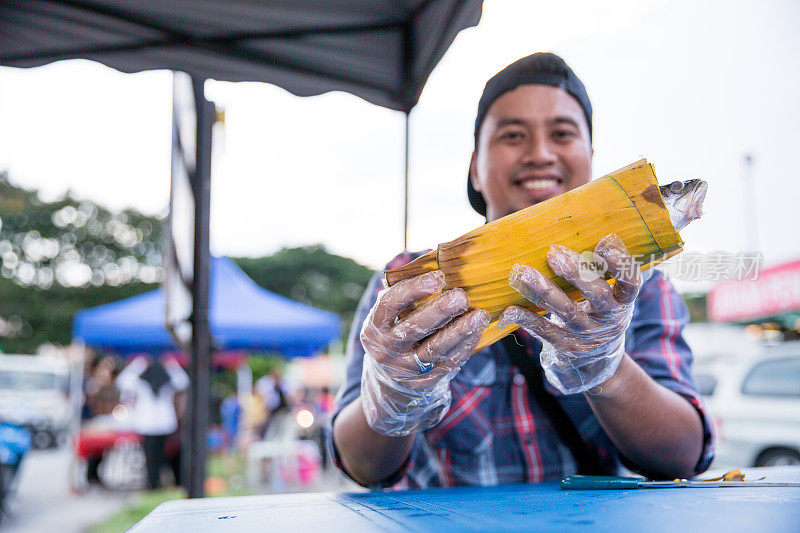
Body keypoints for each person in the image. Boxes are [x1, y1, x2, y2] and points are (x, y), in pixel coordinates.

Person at [330, 52, 715, 489]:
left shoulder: (639, 280)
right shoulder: (410, 284)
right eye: (513, 135)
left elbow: (682, 457)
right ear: (475, 168)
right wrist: (393, 392)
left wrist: (603, 363)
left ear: (590, 158)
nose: (540, 153)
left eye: (562, 133)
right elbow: (363, 467)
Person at [116, 355, 189, 489]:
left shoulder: (166, 383)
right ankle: (153, 483)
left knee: (163, 456)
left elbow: (183, 382)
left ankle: (161, 481)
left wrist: (170, 364)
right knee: (150, 457)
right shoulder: (142, 384)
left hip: (161, 425)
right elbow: (122, 381)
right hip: (149, 424)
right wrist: (140, 363)